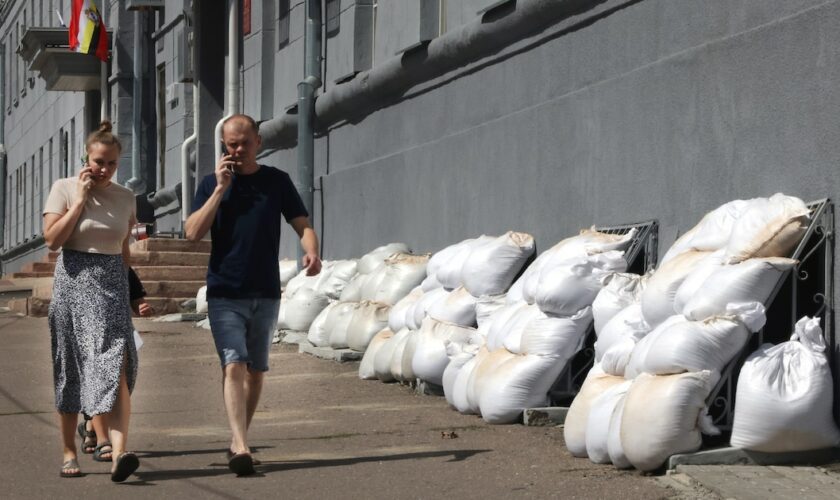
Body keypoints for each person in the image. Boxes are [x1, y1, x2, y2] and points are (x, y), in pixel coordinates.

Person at [185, 114, 321, 476]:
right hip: (224, 291)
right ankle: (242, 446)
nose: (239, 150)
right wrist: (219, 189)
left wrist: (312, 250)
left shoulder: (276, 181)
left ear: (258, 141)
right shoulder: (210, 183)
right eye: (231, 144)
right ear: (223, 146)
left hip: (265, 291)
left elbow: (301, 223)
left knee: (256, 370)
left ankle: (237, 439)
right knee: (234, 363)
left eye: (245, 142)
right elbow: (192, 233)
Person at [43, 121, 141, 482]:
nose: (104, 169)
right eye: (99, 161)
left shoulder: (126, 197)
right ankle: (70, 450)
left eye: (112, 163)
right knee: (70, 370)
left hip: (112, 285)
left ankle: (119, 452)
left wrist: (133, 292)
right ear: (87, 156)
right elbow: (53, 240)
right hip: (73, 283)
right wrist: (81, 200)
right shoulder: (64, 189)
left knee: (116, 367)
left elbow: (124, 248)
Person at [78, 266, 154, 459]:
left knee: (118, 383)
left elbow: (137, 300)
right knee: (98, 378)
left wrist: (143, 308)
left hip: (118, 333)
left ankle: (91, 425)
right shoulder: (82, 265)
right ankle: (103, 440)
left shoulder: (123, 267)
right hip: (90, 330)